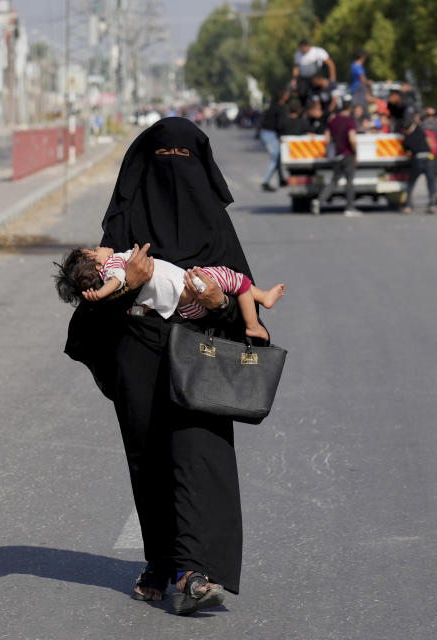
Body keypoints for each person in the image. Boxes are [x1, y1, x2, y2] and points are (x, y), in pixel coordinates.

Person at [63, 118, 265, 615]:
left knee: (199, 454)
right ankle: (159, 562)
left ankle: (195, 571)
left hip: (199, 350)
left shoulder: (216, 227)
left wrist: (218, 299)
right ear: (141, 167)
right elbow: (90, 303)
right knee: (148, 458)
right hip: (137, 349)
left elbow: (240, 294)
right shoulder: (120, 231)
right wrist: (129, 284)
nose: (173, 172)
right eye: (162, 159)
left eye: (184, 160)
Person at [55, 245, 285, 341]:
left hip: (185, 311)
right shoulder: (114, 266)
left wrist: (222, 304)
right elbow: (116, 283)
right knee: (239, 281)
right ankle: (258, 311)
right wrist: (119, 288)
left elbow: (134, 308)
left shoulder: (113, 269)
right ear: (97, 265)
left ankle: (257, 308)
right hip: (190, 288)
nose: (100, 245)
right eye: (95, 249)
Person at [313, 98, 361, 216]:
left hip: (336, 154)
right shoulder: (350, 121)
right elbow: (352, 139)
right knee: (349, 181)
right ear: (350, 107)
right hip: (347, 154)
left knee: (334, 181)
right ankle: (349, 207)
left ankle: (319, 201)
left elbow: (327, 138)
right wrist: (356, 153)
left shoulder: (333, 120)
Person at [401, 118, 437, 214]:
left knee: (411, 183)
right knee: (431, 183)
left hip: (417, 159)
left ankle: (408, 205)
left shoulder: (407, 139)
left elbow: (408, 153)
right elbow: (431, 143)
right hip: (429, 158)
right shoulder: (420, 130)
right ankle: (432, 205)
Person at [259, 88, 288, 191]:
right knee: (275, 158)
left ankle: (281, 179)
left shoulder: (272, 105)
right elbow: (279, 125)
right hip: (269, 134)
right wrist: (283, 135)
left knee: (278, 157)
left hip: (266, 133)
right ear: (283, 97)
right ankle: (266, 182)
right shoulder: (279, 108)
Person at [291, 39, 336, 106]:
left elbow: (330, 64)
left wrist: (332, 78)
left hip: (316, 76)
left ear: (308, 46)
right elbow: (296, 67)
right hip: (304, 78)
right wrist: (294, 79)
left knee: (319, 92)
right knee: (301, 93)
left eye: (303, 48)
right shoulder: (298, 54)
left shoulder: (318, 51)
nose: (302, 50)